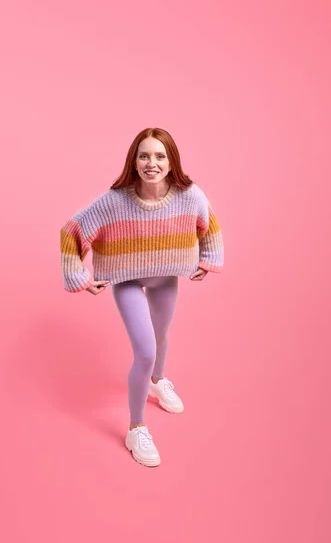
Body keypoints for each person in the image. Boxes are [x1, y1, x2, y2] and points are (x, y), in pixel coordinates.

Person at [60, 127, 224, 467]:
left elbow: (210, 225)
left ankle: (157, 381)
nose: (152, 163)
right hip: (128, 281)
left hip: (165, 278)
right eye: (145, 155)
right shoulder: (114, 201)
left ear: (171, 161)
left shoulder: (190, 195)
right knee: (146, 350)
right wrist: (79, 276)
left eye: (160, 156)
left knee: (161, 337)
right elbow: (71, 232)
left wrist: (208, 261)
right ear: (134, 162)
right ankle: (136, 428)